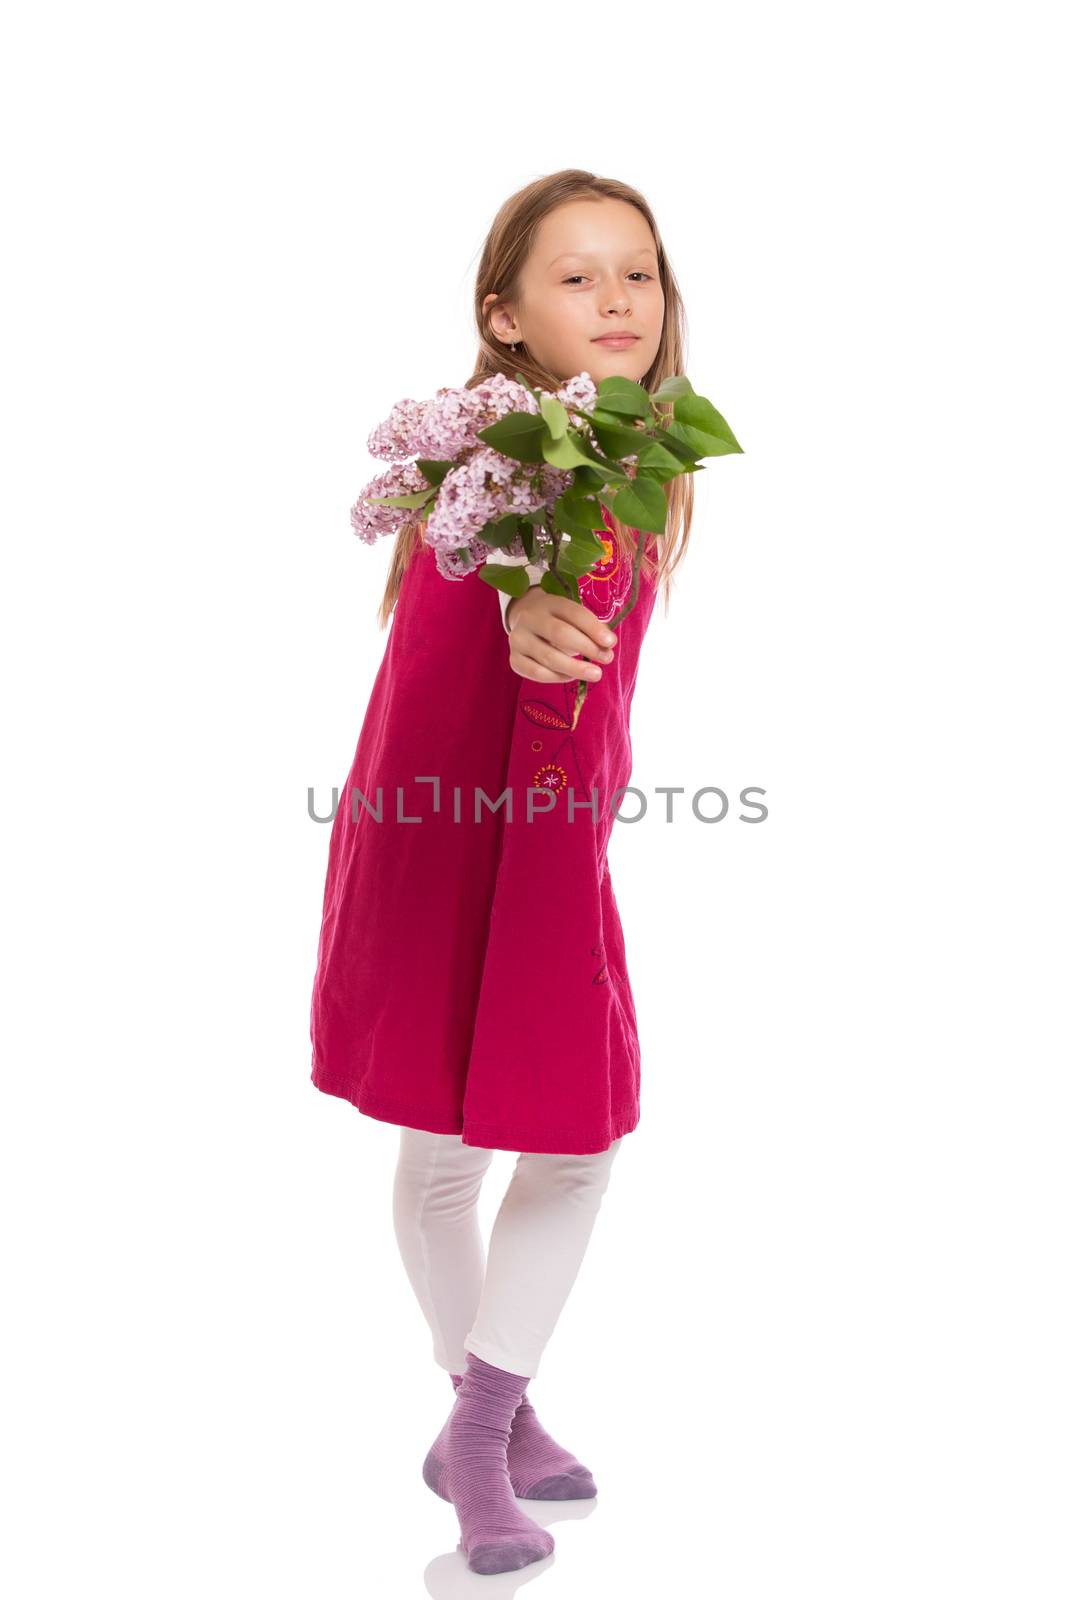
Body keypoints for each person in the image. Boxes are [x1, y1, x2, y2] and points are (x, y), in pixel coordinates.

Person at [308, 168, 695, 1576]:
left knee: (555, 1138)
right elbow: (510, 576)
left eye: (637, 273)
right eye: (578, 277)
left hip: (543, 837)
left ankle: (484, 1414)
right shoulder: (499, 461)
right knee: (461, 1150)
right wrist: (525, 599)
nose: (617, 301)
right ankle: (482, 1428)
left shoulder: (643, 461)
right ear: (505, 316)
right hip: (444, 830)